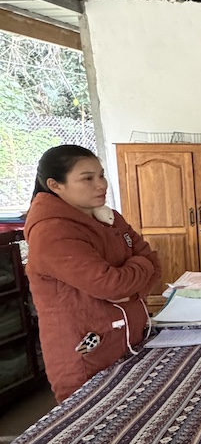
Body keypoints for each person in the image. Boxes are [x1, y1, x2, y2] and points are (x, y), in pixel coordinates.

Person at [24, 145, 161, 403]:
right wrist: (137, 272)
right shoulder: (51, 232)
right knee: (98, 421)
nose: (101, 185)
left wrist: (130, 288)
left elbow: (155, 265)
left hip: (129, 341)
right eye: (87, 178)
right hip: (87, 356)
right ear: (55, 185)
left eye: (101, 175)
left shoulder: (110, 218)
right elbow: (111, 284)